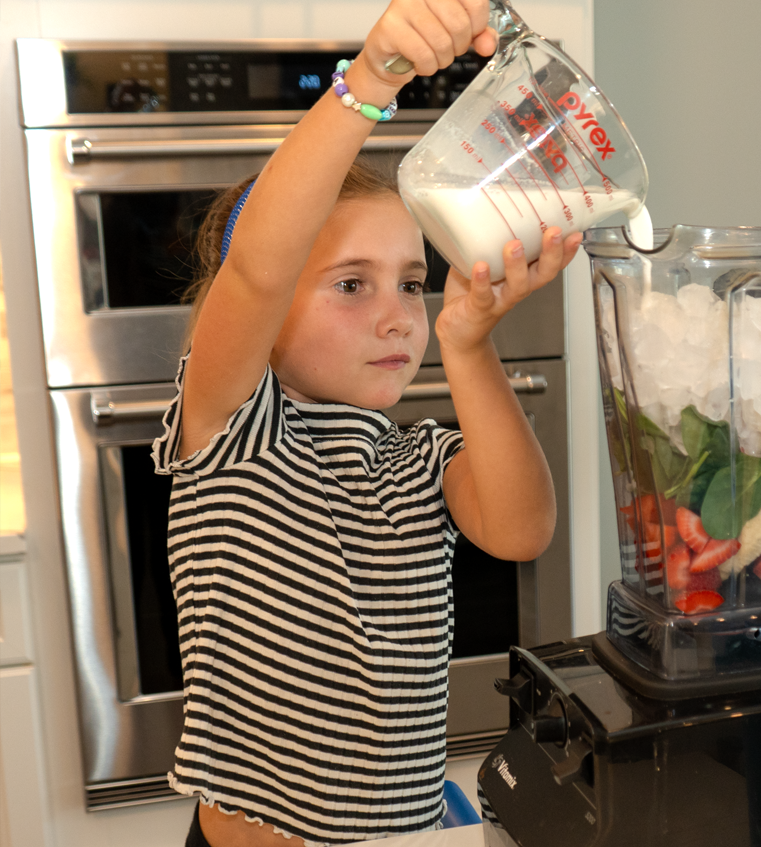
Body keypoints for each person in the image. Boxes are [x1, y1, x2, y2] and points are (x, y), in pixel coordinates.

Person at [150, 1, 581, 844]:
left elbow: (522, 528)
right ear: (267, 315)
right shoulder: (233, 430)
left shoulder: (414, 459)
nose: (397, 316)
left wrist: (467, 344)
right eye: (351, 283)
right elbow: (257, 268)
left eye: (410, 283)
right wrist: (372, 80)